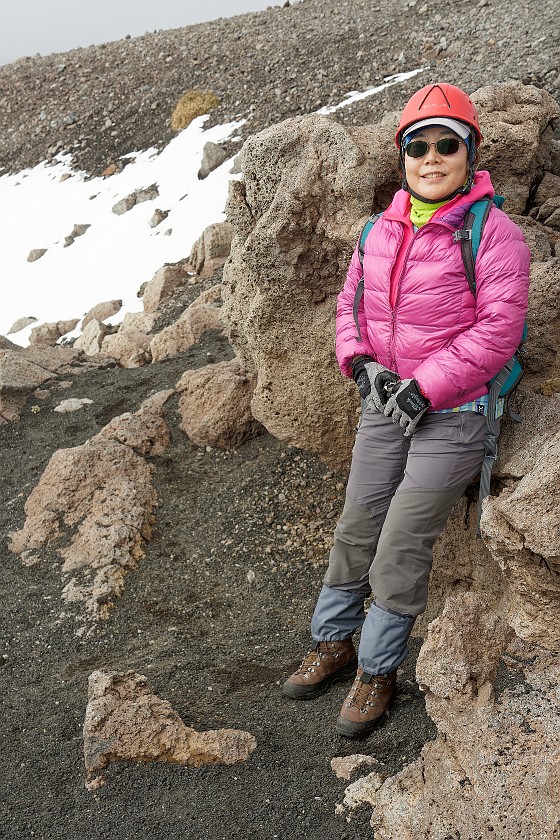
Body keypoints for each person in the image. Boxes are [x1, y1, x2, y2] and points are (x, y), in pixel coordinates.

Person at [282, 83, 530, 738]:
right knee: (357, 523)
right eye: (418, 145)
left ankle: (377, 669)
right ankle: (333, 641)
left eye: (447, 144)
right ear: (403, 157)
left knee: (399, 540)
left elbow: (497, 333)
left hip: (456, 412)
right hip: (385, 402)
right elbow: (349, 308)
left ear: (469, 152)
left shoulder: (494, 234)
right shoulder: (379, 231)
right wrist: (358, 362)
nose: (431, 156)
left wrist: (427, 385)